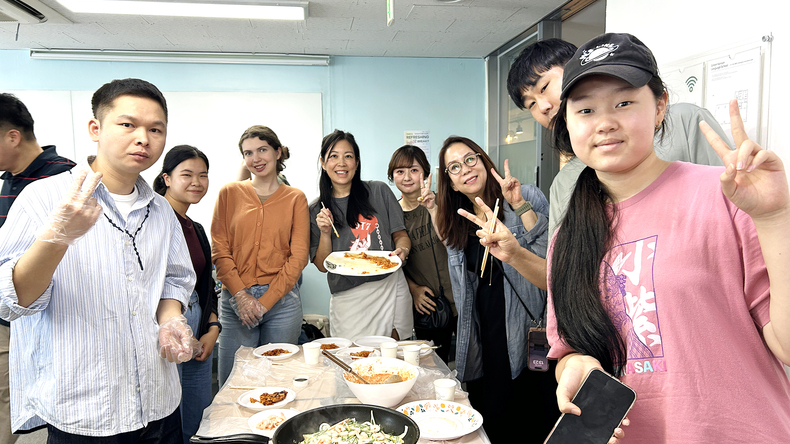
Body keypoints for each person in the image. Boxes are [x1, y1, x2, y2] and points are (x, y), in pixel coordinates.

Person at [544, 33, 790, 442]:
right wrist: (571, 367)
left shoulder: (725, 196)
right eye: (585, 110)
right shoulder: (567, 238)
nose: (605, 122)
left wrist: (776, 218)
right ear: (567, 125)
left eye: (624, 103)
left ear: (660, 105)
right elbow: (570, 348)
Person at [0, 78, 200, 441]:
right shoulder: (42, 199)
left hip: (159, 401)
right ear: (96, 128)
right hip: (87, 410)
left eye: (155, 129)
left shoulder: (161, 211)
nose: (143, 138)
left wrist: (171, 318)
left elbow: (175, 277)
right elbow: (11, 300)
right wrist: (57, 238)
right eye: (128, 125)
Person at [507, 38, 731, 235]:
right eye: (531, 104)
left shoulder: (686, 121)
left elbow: (735, 206)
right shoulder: (565, 182)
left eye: (544, 87)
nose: (543, 106)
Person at [432, 136, 558, 443]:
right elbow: (463, 290)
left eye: (470, 159)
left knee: (537, 415)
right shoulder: (457, 221)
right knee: (496, 417)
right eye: (455, 167)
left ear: (483, 160)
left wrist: (518, 204)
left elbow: (550, 259)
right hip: (487, 332)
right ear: (451, 182)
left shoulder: (524, 195)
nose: (465, 170)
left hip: (530, 327)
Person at [0, 93, 76, 444]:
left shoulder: (63, 179)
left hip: (39, 313)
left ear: (12, 136)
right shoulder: (10, 179)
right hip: (6, 306)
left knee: (12, 400)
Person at [211, 125, 308, 386]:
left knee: (277, 383)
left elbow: (298, 258)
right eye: (248, 153)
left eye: (262, 150)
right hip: (235, 301)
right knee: (234, 384)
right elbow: (220, 249)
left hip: (281, 304)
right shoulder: (229, 193)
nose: (256, 159)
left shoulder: (295, 198)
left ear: (277, 152)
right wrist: (242, 297)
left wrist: (264, 302)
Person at [309, 130, 412, 340]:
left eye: (348, 156)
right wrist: (325, 233)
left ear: (356, 162)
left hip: (390, 282)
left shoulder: (378, 191)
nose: (342, 163)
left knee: (396, 351)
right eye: (333, 156)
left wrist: (404, 249)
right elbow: (321, 265)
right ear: (322, 162)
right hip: (348, 296)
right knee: (353, 357)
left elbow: (401, 235)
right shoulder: (315, 209)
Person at [154, 145, 220, 444]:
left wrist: (212, 327)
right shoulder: (153, 222)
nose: (196, 182)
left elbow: (206, 285)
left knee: (199, 406)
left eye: (203, 175)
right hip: (166, 322)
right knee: (169, 408)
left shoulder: (196, 228)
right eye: (187, 174)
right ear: (167, 178)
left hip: (198, 318)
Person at [387, 145, 456, 363]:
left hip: (462, 296)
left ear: (425, 173)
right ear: (392, 177)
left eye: (414, 170)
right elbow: (391, 264)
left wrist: (433, 208)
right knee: (434, 364)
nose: (407, 177)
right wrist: (413, 289)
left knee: (473, 362)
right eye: (399, 171)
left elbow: (456, 245)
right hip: (429, 305)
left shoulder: (445, 203)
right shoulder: (393, 218)